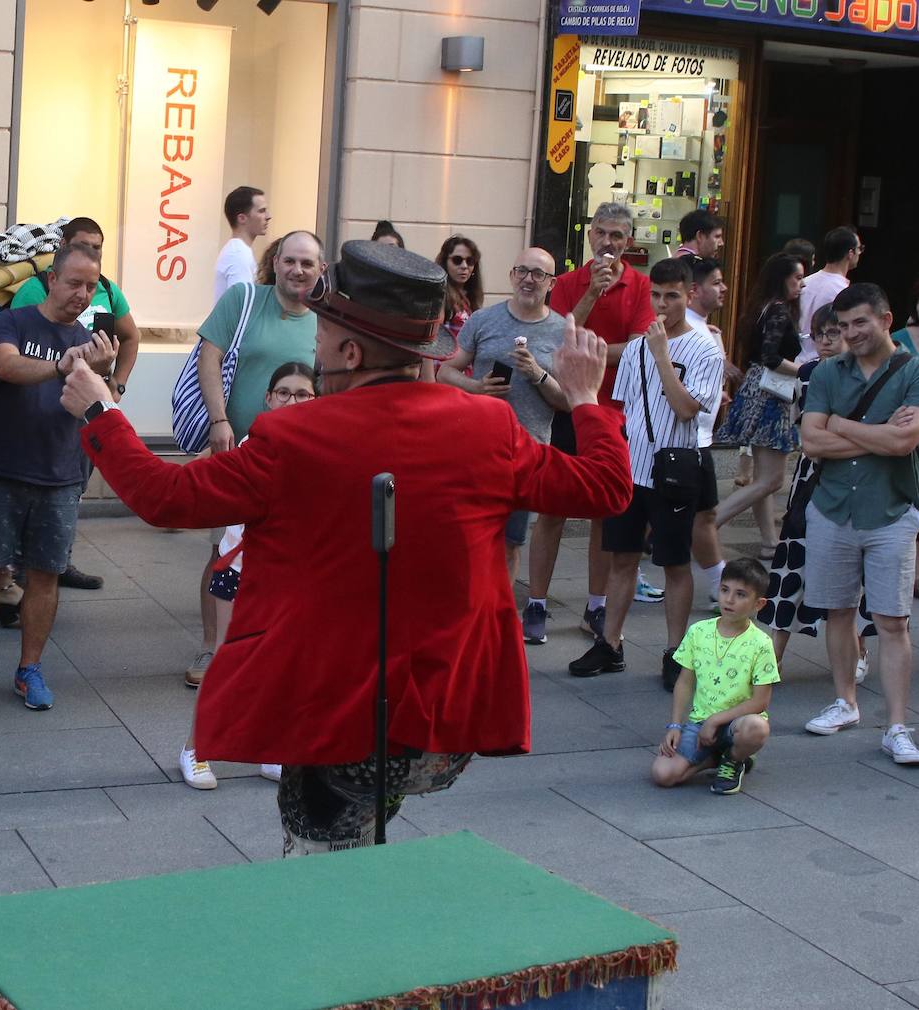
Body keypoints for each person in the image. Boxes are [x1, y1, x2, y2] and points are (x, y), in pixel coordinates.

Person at [60, 240, 633, 854]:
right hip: (440, 717)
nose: (313, 345)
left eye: (322, 331)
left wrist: (101, 410)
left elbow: (164, 496)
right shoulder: (487, 426)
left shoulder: (292, 435)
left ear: (352, 351)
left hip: (329, 713)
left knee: (319, 867)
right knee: (365, 851)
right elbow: (605, 486)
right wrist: (583, 398)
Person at [0, 243, 117, 711]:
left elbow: (101, 410)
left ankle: (30, 668)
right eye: (75, 282)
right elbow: (4, 365)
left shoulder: (87, 338)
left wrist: (104, 374)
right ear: (51, 281)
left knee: (45, 576)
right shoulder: (13, 323)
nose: (82, 294)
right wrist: (64, 365)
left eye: (91, 286)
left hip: (59, 475)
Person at [569, 256, 724, 690]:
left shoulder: (704, 348)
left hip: (675, 467)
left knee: (674, 562)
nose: (662, 304)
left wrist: (660, 356)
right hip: (631, 466)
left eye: (672, 296)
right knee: (621, 558)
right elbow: (626, 408)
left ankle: (676, 651)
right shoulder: (637, 347)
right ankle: (610, 642)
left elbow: (687, 408)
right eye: (656, 295)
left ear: (689, 295)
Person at [187, 231, 323, 687]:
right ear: (276, 262)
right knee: (223, 549)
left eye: (308, 262)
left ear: (320, 270)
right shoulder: (245, 299)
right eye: (290, 260)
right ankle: (212, 648)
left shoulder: (325, 322)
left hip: (301, 464)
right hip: (237, 453)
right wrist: (219, 420)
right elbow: (210, 358)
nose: (298, 270)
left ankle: (272, 646)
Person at [179, 361, 317, 791]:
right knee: (227, 660)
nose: (292, 400)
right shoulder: (251, 444)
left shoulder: (320, 447)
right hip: (240, 568)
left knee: (282, 662)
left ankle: (272, 748)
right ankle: (195, 749)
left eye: (303, 394)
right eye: (284, 392)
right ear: (268, 397)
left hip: (290, 574)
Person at [798, 283, 919, 764]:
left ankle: (896, 725)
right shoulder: (829, 371)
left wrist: (839, 425)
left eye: (860, 323)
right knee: (838, 611)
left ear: (886, 320)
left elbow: (903, 445)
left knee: (892, 619)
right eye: (843, 326)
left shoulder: (912, 369)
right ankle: (845, 702)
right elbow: (811, 442)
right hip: (831, 506)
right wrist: (879, 431)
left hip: (890, 507)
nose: (850, 334)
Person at [531, 202, 656, 640]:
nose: (608, 243)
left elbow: (641, 349)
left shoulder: (641, 286)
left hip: (617, 411)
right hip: (567, 405)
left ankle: (596, 605)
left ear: (629, 242)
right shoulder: (567, 283)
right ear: (590, 236)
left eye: (617, 236)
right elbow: (558, 337)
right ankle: (537, 602)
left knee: (608, 508)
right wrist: (590, 298)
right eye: (602, 233)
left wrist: (589, 350)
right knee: (552, 509)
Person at [11, 216, 141, 589]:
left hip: (88, 409)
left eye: (98, 247)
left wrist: (117, 384)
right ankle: (18, 573)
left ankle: (59, 559)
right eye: (84, 245)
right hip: (40, 409)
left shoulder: (109, 290)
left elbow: (131, 337)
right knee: (32, 486)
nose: (91, 253)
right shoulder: (34, 292)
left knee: (75, 484)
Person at [437, 248, 570, 603]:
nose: (528, 279)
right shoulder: (483, 320)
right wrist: (476, 387)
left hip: (527, 452)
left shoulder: (561, 331)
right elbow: (445, 371)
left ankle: (496, 612)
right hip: (477, 448)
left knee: (511, 541)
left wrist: (537, 375)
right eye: (522, 271)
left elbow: (569, 401)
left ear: (551, 283)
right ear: (512, 276)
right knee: (470, 534)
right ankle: (463, 604)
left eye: (538, 274)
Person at [761, 307, 876, 670]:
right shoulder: (808, 374)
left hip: (858, 481)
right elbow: (808, 431)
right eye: (820, 334)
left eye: (833, 333)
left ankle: (857, 648)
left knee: (855, 567)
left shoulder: (871, 376)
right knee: (793, 561)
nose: (826, 342)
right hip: (812, 480)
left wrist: (834, 430)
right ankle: (772, 656)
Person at [652, 559, 777, 796]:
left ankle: (734, 758)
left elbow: (760, 701)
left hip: (736, 723)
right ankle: (712, 759)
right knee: (662, 774)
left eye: (741, 594)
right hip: (699, 723)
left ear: (758, 604)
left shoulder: (761, 644)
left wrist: (716, 720)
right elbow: (685, 682)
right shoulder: (699, 632)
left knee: (757, 727)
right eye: (724, 590)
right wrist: (676, 725)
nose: (729, 600)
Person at [713, 252, 805, 555]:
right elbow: (772, 357)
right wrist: (807, 370)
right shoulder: (779, 311)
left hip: (756, 387)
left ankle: (768, 541)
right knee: (771, 479)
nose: (801, 285)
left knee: (764, 477)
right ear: (783, 279)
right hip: (770, 392)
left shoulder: (761, 308)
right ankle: (708, 524)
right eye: (797, 278)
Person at [684, 257, 729, 605]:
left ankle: (718, 580)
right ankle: (719, 582)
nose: (723, 288)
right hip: (687, 440)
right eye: (716, 282)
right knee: (703, 513)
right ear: (695, 290)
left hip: (701, 437)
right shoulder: (687, 328)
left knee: (703, 512)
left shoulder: (706, 329)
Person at [798, 226, 862, 344]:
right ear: (850, 253)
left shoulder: (804, 282)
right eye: (859, 248)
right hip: (825, 355)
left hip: (798, 356)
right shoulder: (843, 292)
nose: (860, 252)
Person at [215, 186, 269, 300]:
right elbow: (240, 305)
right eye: (261, 211)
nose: (268, 216)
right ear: (242, 218)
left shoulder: (240, 251)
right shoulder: (238, 254)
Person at [435, 234, 484, 337]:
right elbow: (435, 336)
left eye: (470, 261)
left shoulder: (471, 297)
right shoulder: (440, 294)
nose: (464, 266)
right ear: (445, 262)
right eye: (457, 260)